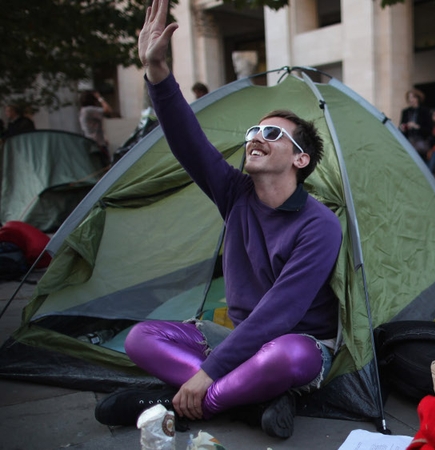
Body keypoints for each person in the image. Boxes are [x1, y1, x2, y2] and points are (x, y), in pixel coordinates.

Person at [94, 0, 342, 440]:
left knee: (289, 359)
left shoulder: (319, 225)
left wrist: (205, 374)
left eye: (271, 134)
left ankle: (176, 404)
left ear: (300, 159)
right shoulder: (235, 194)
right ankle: (248, 402)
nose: (255, 138)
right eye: (253, 132)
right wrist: (157, 71)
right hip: (235, 338)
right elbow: (188, 141)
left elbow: (279, 315)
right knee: (140, 338)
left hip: (295, 341)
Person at [399, 89, 434, 164]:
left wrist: (416, 127)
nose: (411, 100)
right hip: (408, 144)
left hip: (421, 146)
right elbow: (400, 127)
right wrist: (403, 127)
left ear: (418, 98)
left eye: (413, 97)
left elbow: (429, 129)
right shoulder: (405, 112)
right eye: (409, 98)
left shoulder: (425, 111)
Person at [79, 91, 114, 165]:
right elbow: (108, 110)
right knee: (106, 165)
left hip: (93, 142)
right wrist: (100, 98)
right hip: (97, 143)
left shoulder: (83, 111)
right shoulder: (89, 110)